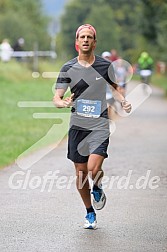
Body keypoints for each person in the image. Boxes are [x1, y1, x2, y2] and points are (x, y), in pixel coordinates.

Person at [53, 24, 132, 229]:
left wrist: (123, 101)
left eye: (89, 37)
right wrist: (62, 103)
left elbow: (116, 88)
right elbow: (57, 97)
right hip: (78, 126)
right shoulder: (68, 68)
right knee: (80, 174)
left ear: (94, 42)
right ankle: (89, 212)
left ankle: (97, 185)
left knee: (93, 168)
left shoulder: (105, 66)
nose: (86, 40)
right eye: (82, 37)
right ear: (77, 43)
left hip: (99, 124)